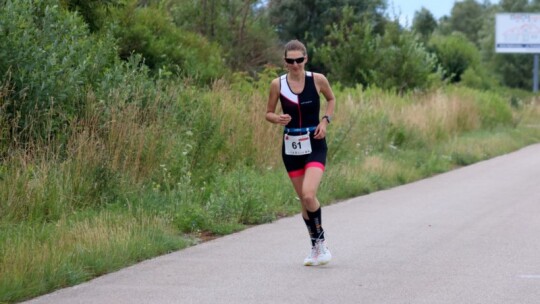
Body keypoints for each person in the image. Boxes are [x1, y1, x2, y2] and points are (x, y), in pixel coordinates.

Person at [265, 39, 336, 266]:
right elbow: (268, 113)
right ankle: (315, 247)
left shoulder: (317, 79)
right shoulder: (277, 84)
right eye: (290, 61)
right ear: (284, 62)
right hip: (291, 145)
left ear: (305, 59)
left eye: (299, 60)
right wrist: (277, 118)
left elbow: (331, 99)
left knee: (308, 194)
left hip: (314, 143)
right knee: (304, 201)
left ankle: (321, 244)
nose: (295, 65)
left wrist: (325, 121)